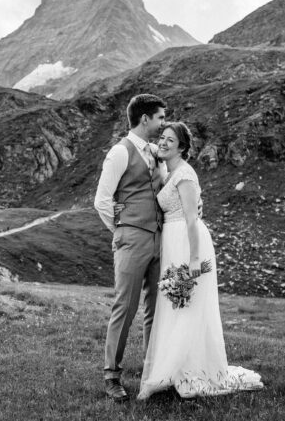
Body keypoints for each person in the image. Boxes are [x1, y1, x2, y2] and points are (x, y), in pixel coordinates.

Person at [136, 122, 263, 399]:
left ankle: (180, 372)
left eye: (171, 140)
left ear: (182, 147)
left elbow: (192, 219)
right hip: (173, 242)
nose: (165, 142)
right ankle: (177, 369)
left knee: (186, 304)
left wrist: (194, 259)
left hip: (188, 243)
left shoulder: (185, 175)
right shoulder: (170, 172)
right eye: (163, 138)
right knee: (176, 304)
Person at [93, 93, 166, 402]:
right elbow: (101, 200)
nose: (164, 123)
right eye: (161, 117)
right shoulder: (119, 153)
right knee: (126, 306)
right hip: (132, 238)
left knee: (155, 309)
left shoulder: (156, 152)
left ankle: (152, 373)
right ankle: (112, 375)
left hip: (158, 239)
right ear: (144, 119)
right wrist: (122, 228)